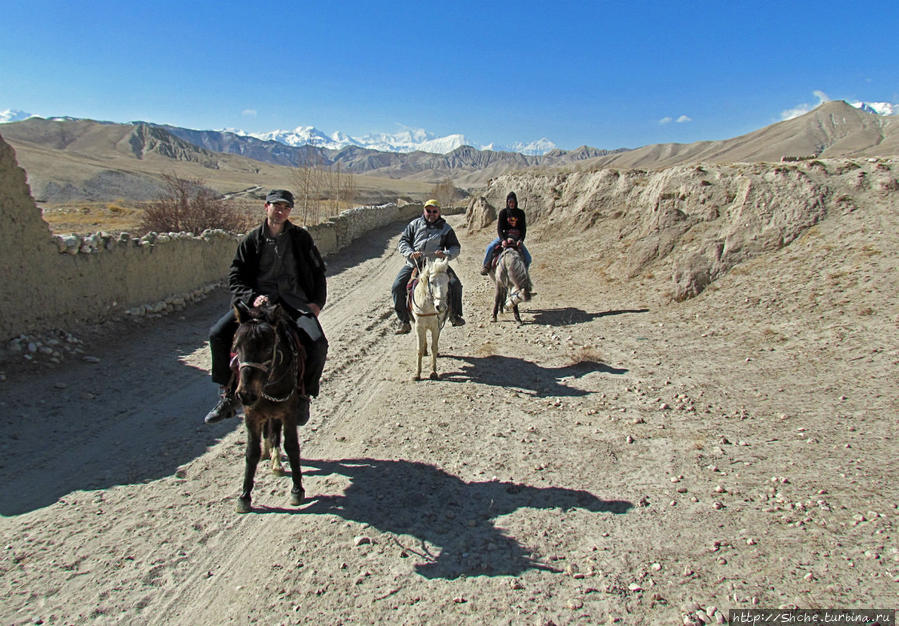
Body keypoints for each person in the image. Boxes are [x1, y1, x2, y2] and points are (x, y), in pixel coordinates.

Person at [204, 189, 328, 425]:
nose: (280, 211)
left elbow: (317, 271)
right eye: (276, 206)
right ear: (266, 207)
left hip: (292, 302)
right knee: (218, 334)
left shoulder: (301, 239)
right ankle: (227, 396)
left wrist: (316, 303)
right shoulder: (252, 240)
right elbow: (236, 276)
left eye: (285, 207)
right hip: (258, 305)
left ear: (290, 211)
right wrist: (252, 297)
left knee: (318, 344)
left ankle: (304, 396)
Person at [391, 199, 465, 334]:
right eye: (428, 211)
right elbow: (403, 241)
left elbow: (455, 247)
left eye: (434, 211)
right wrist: (410, 253)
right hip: (416, 262)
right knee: (397, 286)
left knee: (455, 284)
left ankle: (455, 315)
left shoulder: (446, 228)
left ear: (439, 212)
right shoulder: (414, 224)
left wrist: (445, 254)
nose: (431, 214)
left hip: (436, 263)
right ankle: (404, 321)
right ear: (424, 211)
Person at [480, 191, 532, 275]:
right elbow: (499, 228)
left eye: (513, 202)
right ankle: (486, 266)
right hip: (505, 236)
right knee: (490, 248)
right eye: (510, 202)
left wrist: (521, 240)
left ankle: (524, 276)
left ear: (516, 202)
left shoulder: (521, 213)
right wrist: (503, 240)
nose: (511, 204)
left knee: (528, 258)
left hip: (516, 238)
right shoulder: (503, 213)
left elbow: (523, 229)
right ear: (507, 202)